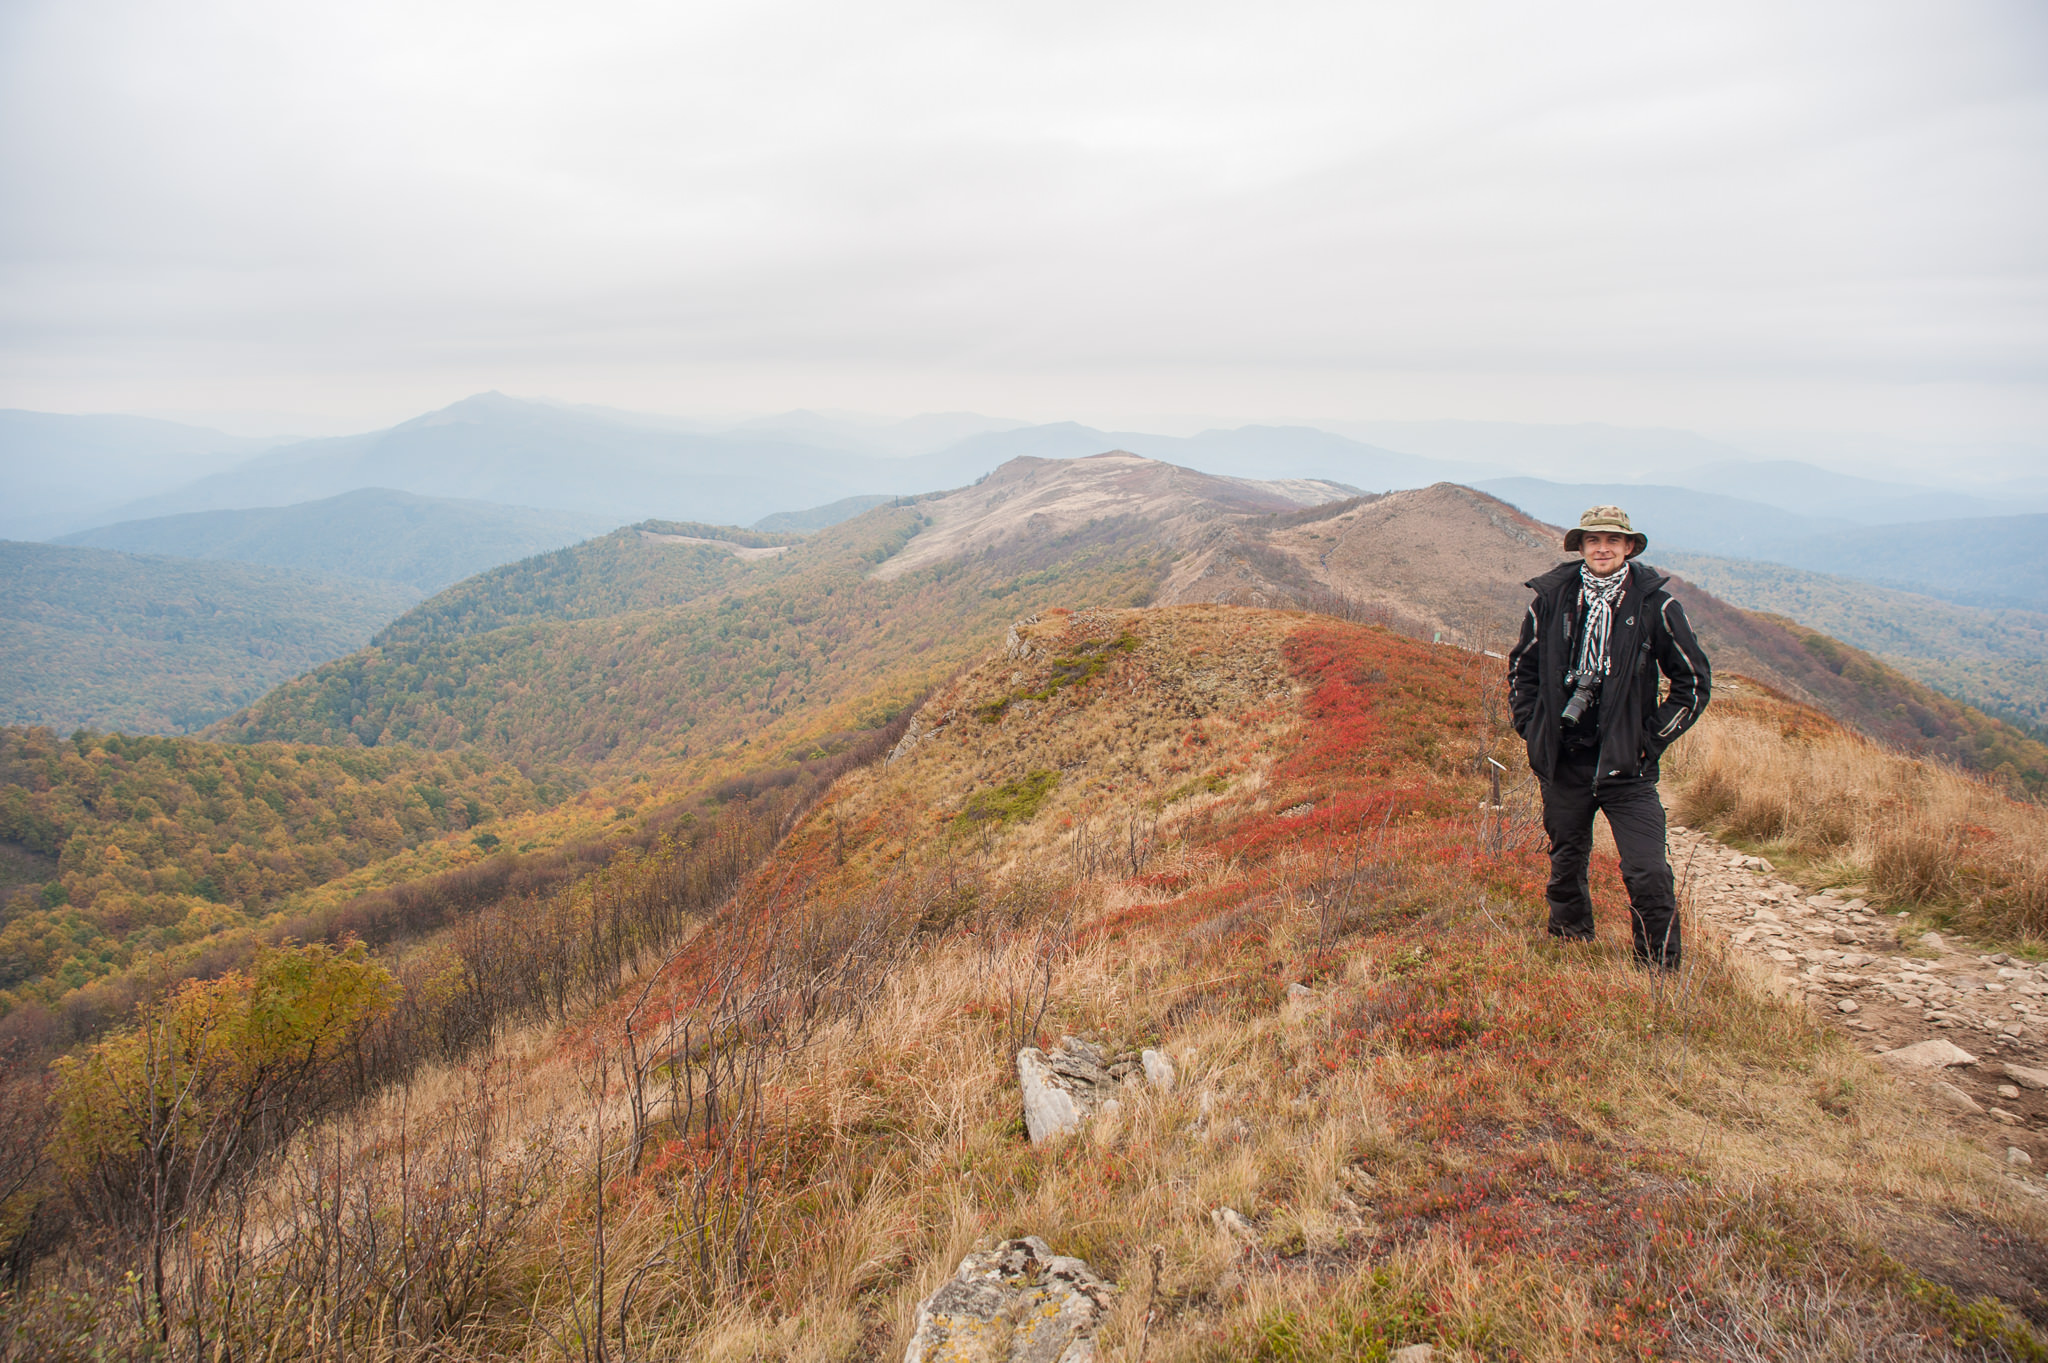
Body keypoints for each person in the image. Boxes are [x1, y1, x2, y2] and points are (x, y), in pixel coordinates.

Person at [1507, 506, 1711, 968]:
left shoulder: (1655, 605)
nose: (1603, 548)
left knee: (1648, 870)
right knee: (1566, 858)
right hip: (1564, 757)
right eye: (1594, 540)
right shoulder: (1551, 599)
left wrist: (1650, 739)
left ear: (1629, 548)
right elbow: (1523, 670)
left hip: (1627, 763)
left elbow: (1693, 683)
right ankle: (1569, 941)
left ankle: (1658, 963)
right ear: (1580, 547)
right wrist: (1531, 727)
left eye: (1613, 541)